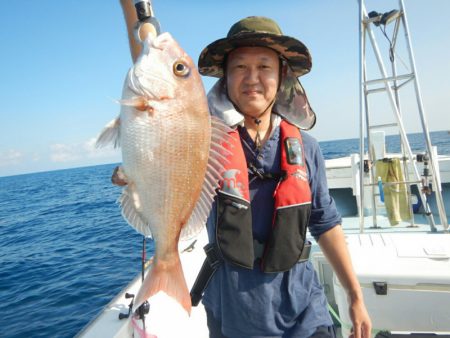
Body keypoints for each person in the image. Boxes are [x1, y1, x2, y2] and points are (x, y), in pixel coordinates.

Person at [119, 1, 372, 337]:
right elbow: (151, 69)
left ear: (282, 75)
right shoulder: (201, 140)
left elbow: (325, 222)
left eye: (264, 67)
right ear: (225, 76)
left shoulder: (306, 148)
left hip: (305, 316)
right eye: (240, 67)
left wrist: (355, 296)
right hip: (234, 318)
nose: (252, 79)